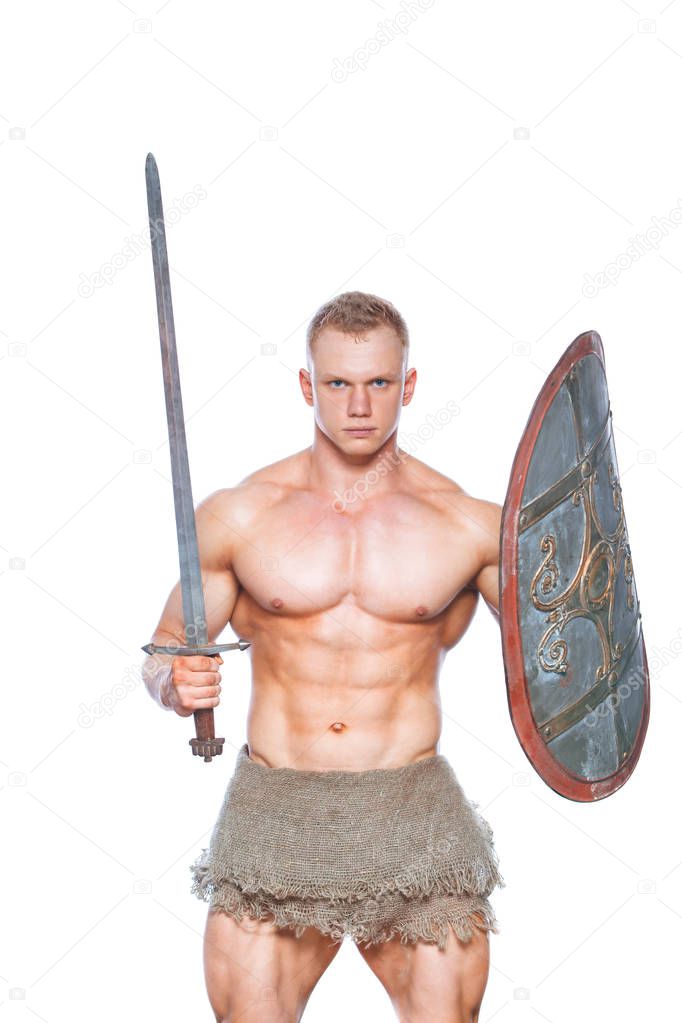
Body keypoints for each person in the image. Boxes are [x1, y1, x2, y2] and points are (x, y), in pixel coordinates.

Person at [142, 291, 505, 1023]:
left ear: (408, 385)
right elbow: (161, 654)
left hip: (411, 810)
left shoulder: (470, 525)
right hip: (278, 807)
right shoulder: (240, 514)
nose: (359, 405)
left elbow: (566, 662)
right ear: (308, 385)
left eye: (378, 383)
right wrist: (175, 684)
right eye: (338, 383)